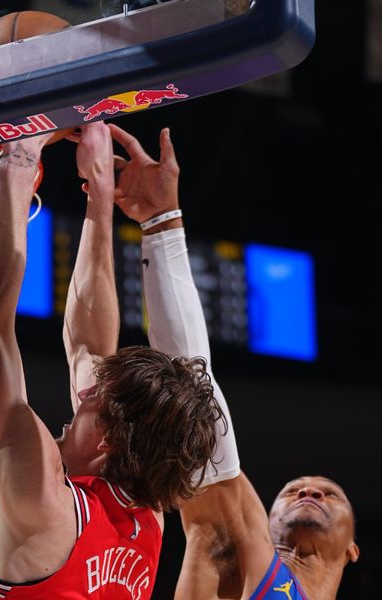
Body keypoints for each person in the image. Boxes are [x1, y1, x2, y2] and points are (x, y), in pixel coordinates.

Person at [0, 121, 225, 599]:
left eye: (91, 399)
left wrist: (21, 151)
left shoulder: (46, 504)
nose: (81, 393)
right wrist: (99, 190)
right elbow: (90, 348)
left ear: (106, 439)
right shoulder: (144, 522)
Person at [98, 123, 360, 599]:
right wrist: (161, 225)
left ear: (353, 550)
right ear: (268, 518)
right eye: (293, 492)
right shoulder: (236, 543)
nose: (309, 493)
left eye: (329, 494)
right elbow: (193, 393)